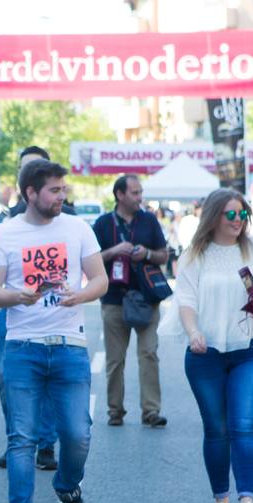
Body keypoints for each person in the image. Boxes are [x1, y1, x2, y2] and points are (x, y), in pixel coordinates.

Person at [0, 158, 108, 503]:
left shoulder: (77, 228)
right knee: (21, 437)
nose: (61, 197)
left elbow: (99, 279)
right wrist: (16, 296)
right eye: (54, 190)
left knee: (78, 434)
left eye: (63, 190)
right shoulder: (5, 234)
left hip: (69, 346)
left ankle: (68, 487)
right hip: (23, 347)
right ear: (30, 193)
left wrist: (80, 295)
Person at [174, 189, 253, 503]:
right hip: (205, 354)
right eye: (230, 215)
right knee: (217, 429)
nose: (237, 221)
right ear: (214, 216)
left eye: (242, 215)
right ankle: (221, 501)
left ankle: (248, 501)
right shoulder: (195, 255)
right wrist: (193, 332)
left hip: (249, 349)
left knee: (243, 426)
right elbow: (185, 301)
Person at [0, 146, 70, 471]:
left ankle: (46, 444)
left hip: (54, 313)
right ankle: (18, 437)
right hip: (14, 311)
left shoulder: (63, 217)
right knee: (6, 376)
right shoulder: (7, 219)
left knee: (50, 378)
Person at [93, 174, 170, 429]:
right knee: (115, 359)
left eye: (140, 192)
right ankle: (115, 410)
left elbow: (163, 255)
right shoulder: (103, 223)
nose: (140, 198)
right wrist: (115, 251)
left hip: (147, 297)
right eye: (135, 193)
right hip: (115, 298)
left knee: (148, 353)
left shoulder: (149, 220)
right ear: (120, 195)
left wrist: (145, 253)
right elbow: (91, 259)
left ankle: (151, 411)